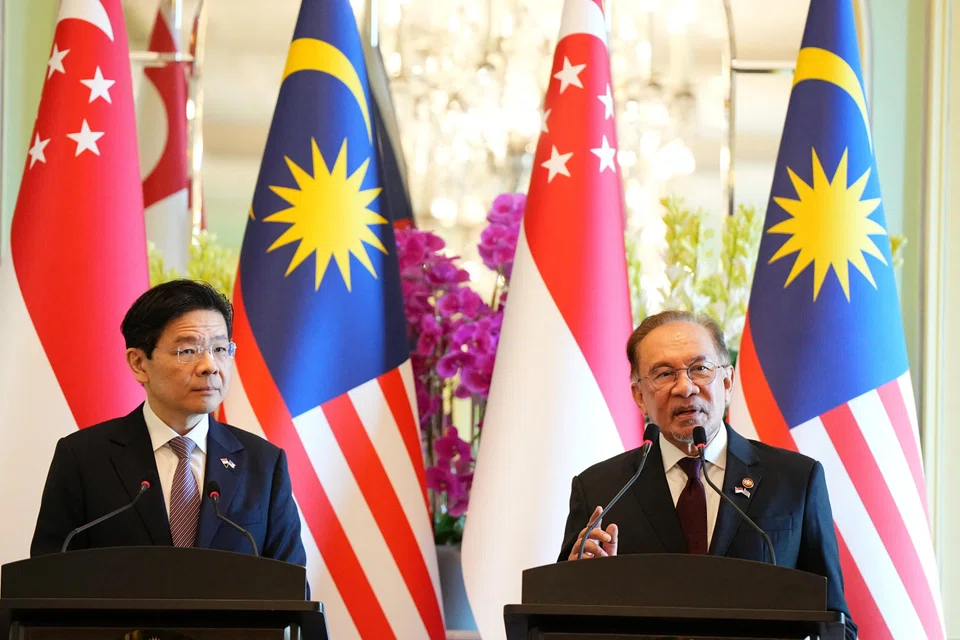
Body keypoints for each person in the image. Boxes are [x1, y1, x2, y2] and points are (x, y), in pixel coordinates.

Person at [557, 310, 857, 640]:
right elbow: (559, 621)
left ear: (727, 382)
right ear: (639, 396)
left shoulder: (796, 480)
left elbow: (835, 623)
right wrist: (576, 586)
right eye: (663, 374)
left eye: (700, 369)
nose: (685, 388)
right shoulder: (602, 489)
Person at [30, 279, 307, 570]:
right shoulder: (82, 458)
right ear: (139, 363)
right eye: (188, 351)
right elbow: (48, 583)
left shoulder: (263, 463)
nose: (209, 366)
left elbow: (292, 591)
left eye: (220, 349)